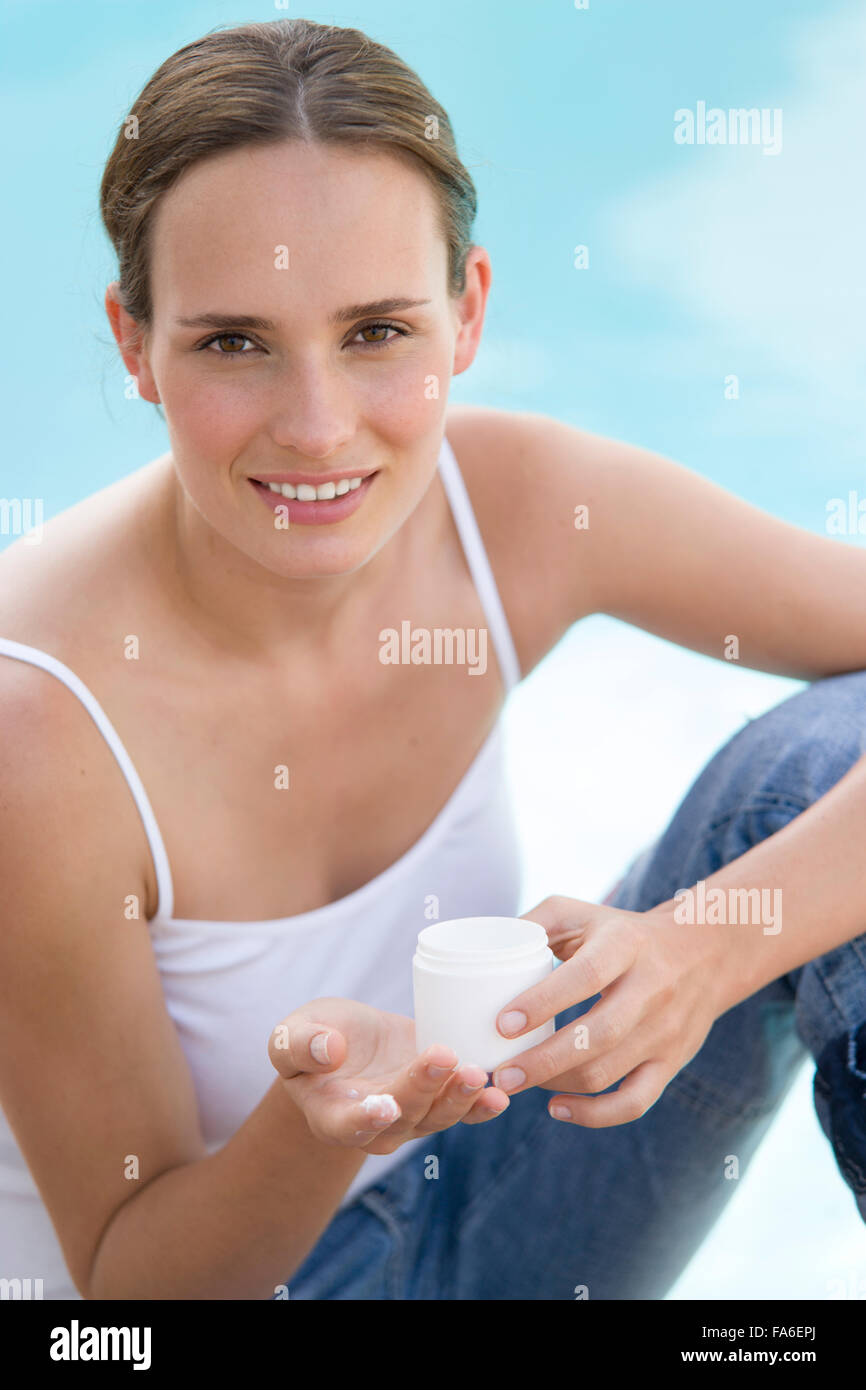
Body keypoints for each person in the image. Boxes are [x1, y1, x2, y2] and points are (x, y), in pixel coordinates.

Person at [1, 16, 865, 1301]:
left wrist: (700, 952)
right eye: (234, 342)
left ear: (464, 313)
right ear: (135, 344)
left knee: (817, 766)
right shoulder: (38, 729)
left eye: (376, 332)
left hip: (508, 1177)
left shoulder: (520, 506)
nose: (316, 428)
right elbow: (136, 1287)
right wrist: (317, 1122)